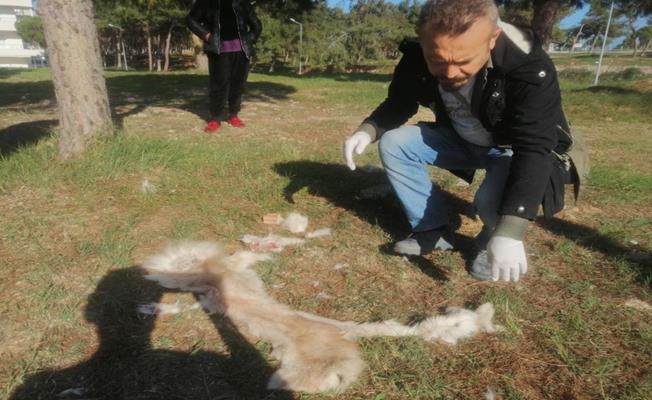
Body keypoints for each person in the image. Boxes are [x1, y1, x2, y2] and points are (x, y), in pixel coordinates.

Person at [343, 0, 587, 282]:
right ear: (423, 41)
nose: (449, 73)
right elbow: (401, 101)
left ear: (492, 39)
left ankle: (490, 240)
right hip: (462, 139)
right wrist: (368, 130)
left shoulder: (529, 66)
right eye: (437, 60)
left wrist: (512, 231)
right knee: (395, 143)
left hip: (511, 148)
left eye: (462, 62)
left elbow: (534, 146)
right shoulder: (416, 54)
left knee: (488, 201)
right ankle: (432, 230)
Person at [187, 0, 262, 133]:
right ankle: (215, 118)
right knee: (218, 85)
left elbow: (256, 25)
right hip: (218, 50)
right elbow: (191, 20)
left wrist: (250, 39)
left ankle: (233, 114)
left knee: (237, 84)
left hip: (241, 50)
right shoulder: (206, 2)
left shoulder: (242, 2)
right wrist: (207, 35)